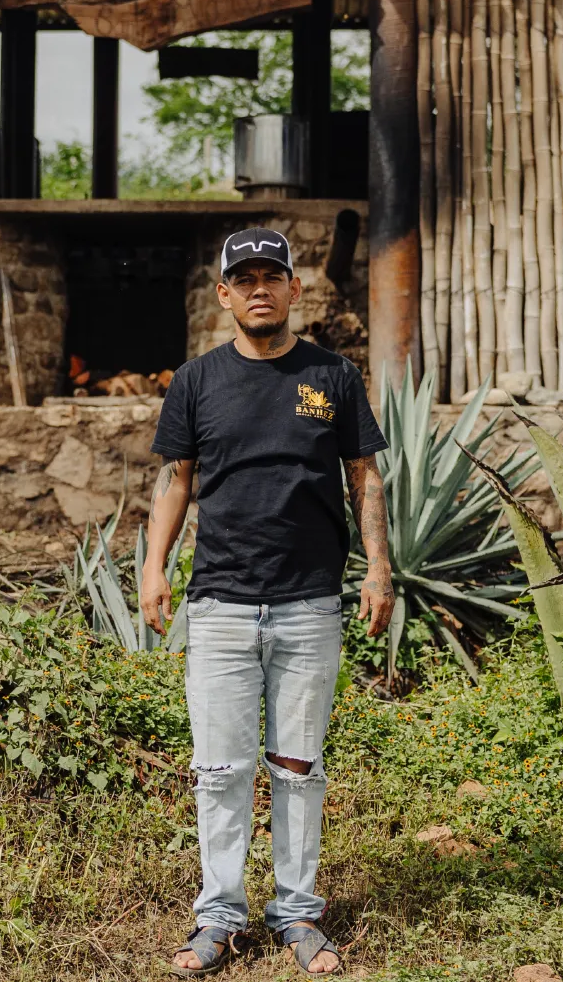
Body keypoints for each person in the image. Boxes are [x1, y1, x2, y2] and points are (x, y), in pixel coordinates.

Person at [141, 226, 394, 976]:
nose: (258, 287)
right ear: (223, 294)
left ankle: (297, 912)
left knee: (298, 766)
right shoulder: (196, 381)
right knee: (219, 770)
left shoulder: (333, 376)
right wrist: (154, 566)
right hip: (219, 601)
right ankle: (219, 916)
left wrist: (377, 568)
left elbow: (364, 478)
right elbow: (176, 479)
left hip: (309, 603)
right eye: (243, 276)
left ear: (293, 290)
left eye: (270, 275)